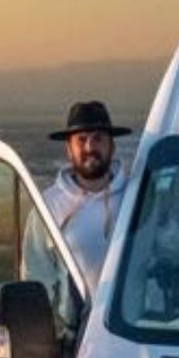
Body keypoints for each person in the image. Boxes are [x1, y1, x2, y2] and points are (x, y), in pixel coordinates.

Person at [27, 100, 133, 289]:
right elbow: (37, 276)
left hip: (128, 319)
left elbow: (169, 253)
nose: (89, 148)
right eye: (81, 139)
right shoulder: (49, 206)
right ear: (69, 149)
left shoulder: (136, 197)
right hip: (74, 319)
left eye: (98, 138)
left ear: (112, 146)